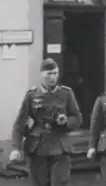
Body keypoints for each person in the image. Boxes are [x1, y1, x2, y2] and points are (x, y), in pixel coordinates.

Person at [10, 58, 82, 186]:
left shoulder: (66, 93)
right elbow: (19, 123)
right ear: (42, 74)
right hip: (37, 146)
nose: (52, 77)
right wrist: (16, 147)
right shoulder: (32, 95)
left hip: (60, 145)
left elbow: (77, 118)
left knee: (59, 182)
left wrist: (65, 122)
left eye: (55, 73)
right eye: (49, 74)